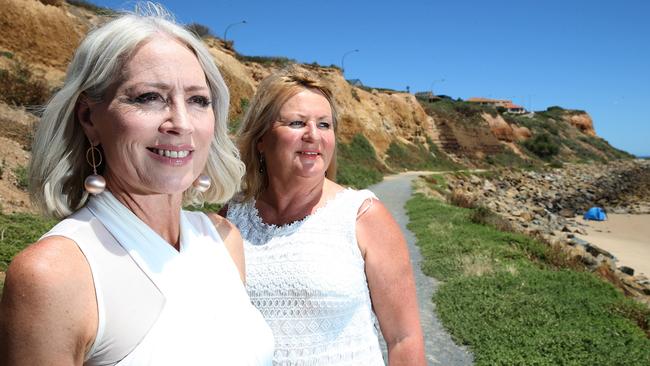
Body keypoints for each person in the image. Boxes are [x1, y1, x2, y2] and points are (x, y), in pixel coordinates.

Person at [0, 5, 273, 366]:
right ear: (89, 118)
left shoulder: (222, 238)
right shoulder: (54, 275)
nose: (181, 123)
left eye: (197, 100)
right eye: (148, 97)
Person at [222, 67, 425, 365]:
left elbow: (404, 339)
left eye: (324, 125)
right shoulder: (230, 219)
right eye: (296, 122)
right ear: (261, 139)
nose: (313, 135)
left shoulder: (362, 216)